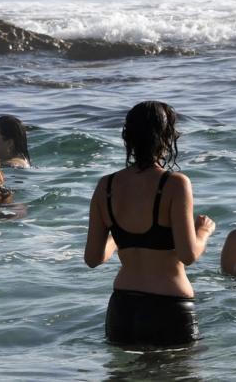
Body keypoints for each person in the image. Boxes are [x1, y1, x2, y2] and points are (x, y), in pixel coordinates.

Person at [84, 101, 215, 347]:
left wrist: (117, 234)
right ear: (167, 137)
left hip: (123, 308)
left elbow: (93, 258)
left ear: (129, 137)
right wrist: (204, 231)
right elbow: (188, 255)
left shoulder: (106, 186)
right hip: (169, 307)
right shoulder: (175, 183)